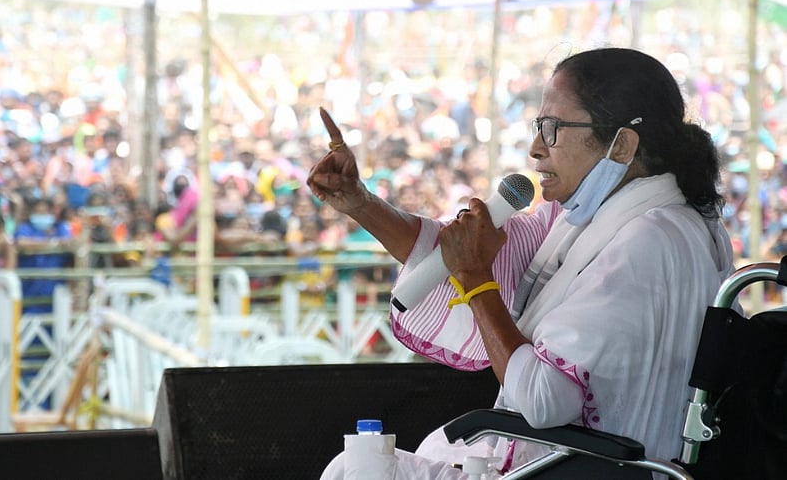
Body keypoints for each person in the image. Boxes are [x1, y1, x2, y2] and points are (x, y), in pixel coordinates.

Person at [309, 47, 734, 478]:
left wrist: (475, 282)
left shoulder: (645, 241)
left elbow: (543, 398)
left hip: (583, 467)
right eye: (538, 127)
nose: (535, 149)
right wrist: (361, 204)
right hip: (578, 462)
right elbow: (483, 254)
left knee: (355, 468)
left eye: (552, 129)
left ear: (622, 144)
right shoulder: (614, 216)